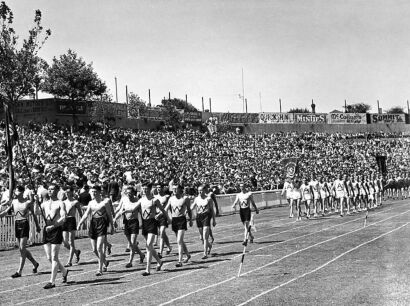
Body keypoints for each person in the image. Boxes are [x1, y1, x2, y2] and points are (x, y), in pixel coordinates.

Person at [0, 185, 41, 278]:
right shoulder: (13, 202)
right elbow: (6, 211)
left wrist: (38, 226)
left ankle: (19, 271)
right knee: (21, 249)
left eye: (17, 191)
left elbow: (34, 215)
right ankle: (35, 263)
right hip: (16, 223)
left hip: (24, 224)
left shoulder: (27, 203)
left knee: (22, 248)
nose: (15, 193)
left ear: (22, 192)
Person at [77, 184, 114, 276]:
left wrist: (112, 226)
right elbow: (86, 214)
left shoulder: (105, 203)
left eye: (95, 191)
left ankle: (100, 269)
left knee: (99, 247)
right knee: (94, 250)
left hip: (102, 224)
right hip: (93, 224)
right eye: (92, 191)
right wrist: (80, 223)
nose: (93, 193)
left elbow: (109, 215)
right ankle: (105, 261)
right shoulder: (91, 203)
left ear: (99, 192)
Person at [137, 182, 169, 276]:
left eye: (146, 188)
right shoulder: (141, 200)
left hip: (152, 223)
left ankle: (148, 269)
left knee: (149, 245)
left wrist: (166, 218)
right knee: (149, 247)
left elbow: (163, 210)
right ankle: (159, 262)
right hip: (144, 224)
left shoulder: (155, 200)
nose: (144, 190)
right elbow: (134, 208)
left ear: (150, 189)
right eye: (143, 188)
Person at [41, 183, 69, 289]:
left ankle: (52, 282)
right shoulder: (44, 203)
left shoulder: (60, 203)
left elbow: (64, 218)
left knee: (54, 257)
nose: (50, 191)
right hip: (46, 231)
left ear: (57, 191)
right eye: (49, 189)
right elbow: (37, 212)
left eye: (52, 189)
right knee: (49, 257)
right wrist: (36, 202)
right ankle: (64, 271)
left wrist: (53, 226)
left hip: (56, 230)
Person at [113, 185, 145, 268]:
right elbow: (120, 210)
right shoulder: (124, 199)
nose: (128, 195)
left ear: (134, 193)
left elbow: (141, 212)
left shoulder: (137, 200)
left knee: (133, 242)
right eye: (127, 193)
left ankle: (130, 262)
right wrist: (114, 219)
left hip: (134, 222)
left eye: (130, 193)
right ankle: (141, 254)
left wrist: (144, 222)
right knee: (132, 244)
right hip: (126, 222)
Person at [165, 184, 193, 267]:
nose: (173, 190)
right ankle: (188, 255)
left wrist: (190, 220)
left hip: (182, 220)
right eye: (173, 188)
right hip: (174, 220)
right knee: (180, 240)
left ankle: (180, 261)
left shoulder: (185, 199)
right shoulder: (171, 199)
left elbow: (189, 210)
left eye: (175, 189)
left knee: (179, 241)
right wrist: (161, 215)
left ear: (180, 190)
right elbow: (166, 209)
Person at [191, 184, 216, 259]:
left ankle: (205, 254)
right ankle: (209, 246)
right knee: (201, 237)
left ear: (204, 191)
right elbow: (192, 207)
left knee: (205, 236)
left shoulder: (208, 199)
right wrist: (187, 211)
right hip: (199, 217)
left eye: (201, 190)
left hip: (206, 216)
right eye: (198, 190)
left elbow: (212, 210)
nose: (199, 192)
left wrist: (214, 220)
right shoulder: (196, 199)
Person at [62, 185, 82, 267]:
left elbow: (80, 212)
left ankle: (69, 261)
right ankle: (76, 252)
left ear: (72, 192)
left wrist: (82, 222)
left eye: (68, 192)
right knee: (65, 243)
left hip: (71, 220)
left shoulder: (75, 202)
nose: (67, 193)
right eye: (66, 192)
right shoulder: (63, 202)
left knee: (71, 241)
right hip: (64, 221)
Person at [154, 183, 172, 258]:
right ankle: (169, 247)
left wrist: (169, 217)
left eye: (160, 187)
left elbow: (167, 208)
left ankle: (160, 252)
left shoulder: (166, 197)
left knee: (161, 233)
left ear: (163, 188)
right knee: (162, 233)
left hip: (163, 216)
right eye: (157, 187)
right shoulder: (154, 197)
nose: (158, 189)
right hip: (156, 216)